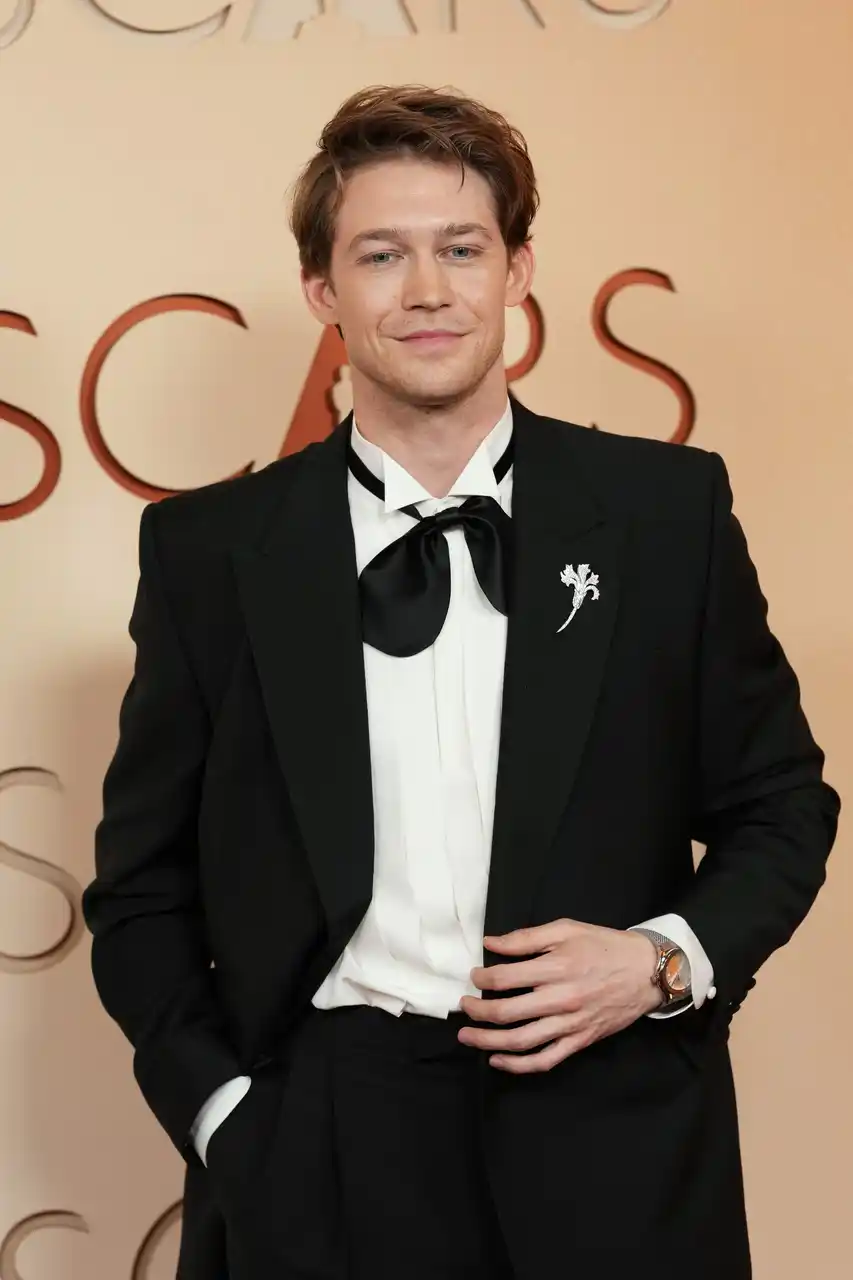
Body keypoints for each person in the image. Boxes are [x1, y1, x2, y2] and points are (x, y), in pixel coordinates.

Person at [81, 84, 840, 1280]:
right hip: (321, 1143)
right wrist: (227, 1115)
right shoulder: (211, 552)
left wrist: (661, 960)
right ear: (323, 291)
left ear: (517, 270)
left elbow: (782, 805)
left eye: (462, 248)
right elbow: (139, 890)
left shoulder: (664, 513)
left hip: (614, 1130)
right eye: (381, 254)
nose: (427, 289)